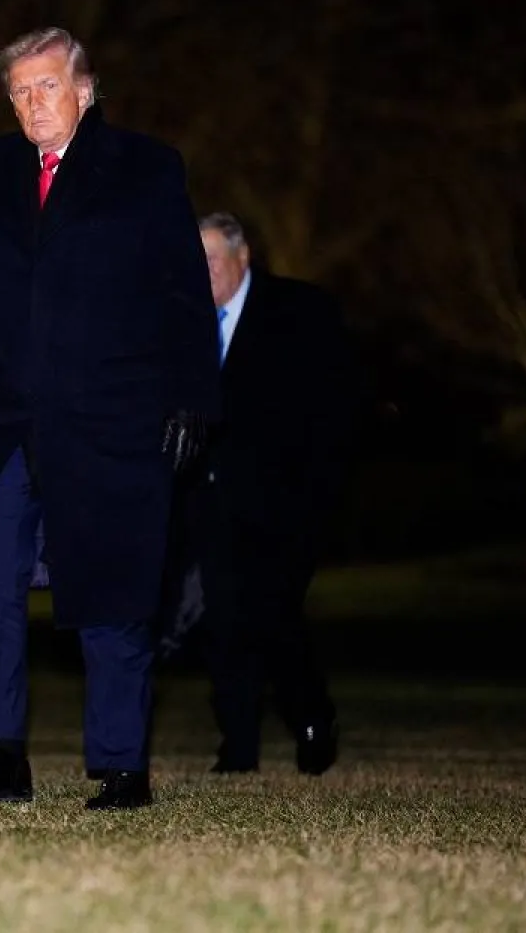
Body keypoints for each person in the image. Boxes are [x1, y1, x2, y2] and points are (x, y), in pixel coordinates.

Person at [0, 28, 219, 810]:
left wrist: (195, 395)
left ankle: (121, 765)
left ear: (86, 90)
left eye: (48, 86)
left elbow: (181, 289)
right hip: (9, 420)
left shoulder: (144, 166)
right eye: (21, 91)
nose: (34, 102)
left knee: (112, 587)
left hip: (114, 417)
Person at [158, 211, 359, 776]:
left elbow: (332, 407)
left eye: (210, 259)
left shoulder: (299, 312)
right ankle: (238, 743)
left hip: (282, 502)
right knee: (221, 621)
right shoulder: (181, 320)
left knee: (272, 613)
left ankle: (312, 714)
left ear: (242, 258)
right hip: (207, 499)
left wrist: (316, 488)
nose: (200, 272)